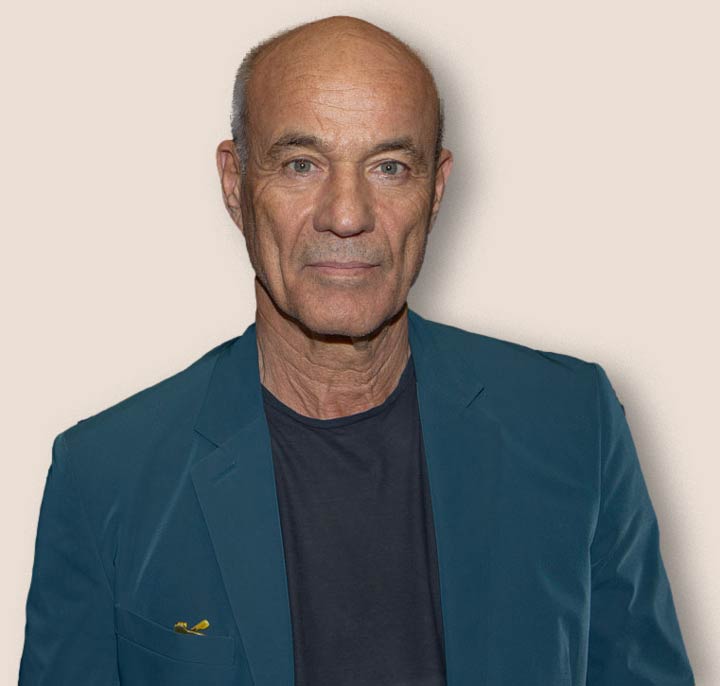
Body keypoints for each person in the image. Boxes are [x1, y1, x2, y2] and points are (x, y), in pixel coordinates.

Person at [19, 14, 695, 686]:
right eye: (301, 164)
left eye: (390, 167)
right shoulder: (105, 476)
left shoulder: (572, 423)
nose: (346, 214)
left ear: (435, 189)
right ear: (234, 183)